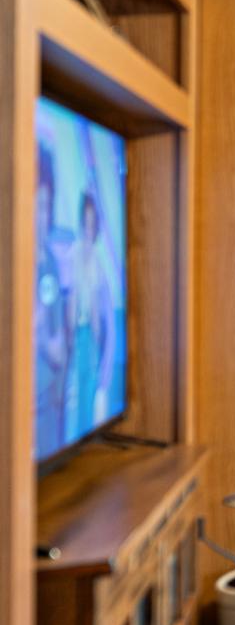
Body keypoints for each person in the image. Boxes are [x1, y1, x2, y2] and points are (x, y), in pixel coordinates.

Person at [68, 188, 116, 431]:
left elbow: (99, 313)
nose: (88, 229)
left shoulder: (97, 261)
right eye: (85, 223)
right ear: (80, 222)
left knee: (90, 398)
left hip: (90, 340)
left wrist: (99, 347)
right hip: (75, 337)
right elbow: (71, 303)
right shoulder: (73, 255)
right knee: (75, 402)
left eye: (92, 224)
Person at [32, 148, 69, 454]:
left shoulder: (50, 266)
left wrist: (40, 333)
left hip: (42, 413)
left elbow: (58, 353)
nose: (39, 217)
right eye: (33, 205)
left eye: (44, 205)